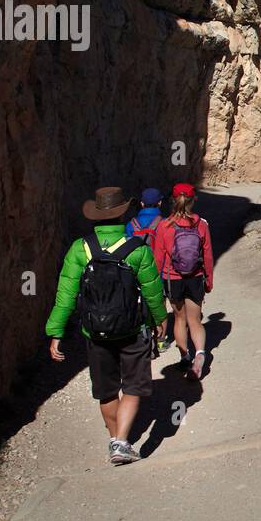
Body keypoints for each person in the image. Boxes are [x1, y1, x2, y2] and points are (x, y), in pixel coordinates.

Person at [45, 187, 168, 465]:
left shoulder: (80, 248)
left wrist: (56, 332)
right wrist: (160, 319)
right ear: (123, 212)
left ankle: (116, 440)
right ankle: (121, 443)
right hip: (132, 330)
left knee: (107, 389)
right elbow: (152, 291)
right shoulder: (138, 249)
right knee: (134, 386)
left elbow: (65, 294)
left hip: (95, 332)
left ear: (96, 216)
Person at [152, 182, 214, 380]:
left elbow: (158, 258)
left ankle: (185, 356)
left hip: (173, 278)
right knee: (195, 320)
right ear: (193, 200)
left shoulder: (164, 226)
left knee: (179, 319)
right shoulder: (201, 224)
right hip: (195, 277)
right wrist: (209, 280)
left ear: (172, 200)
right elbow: (208, 256)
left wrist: (155, 283)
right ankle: (200, 355)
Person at [127, 187, 173, 350]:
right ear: (160, 203)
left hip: (135, 271)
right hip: (157, 270)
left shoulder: (131, 224)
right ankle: (160, 340)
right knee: (159, 303)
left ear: (141, 203)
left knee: (138, 303)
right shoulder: (164, 223)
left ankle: (142, 336)